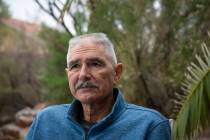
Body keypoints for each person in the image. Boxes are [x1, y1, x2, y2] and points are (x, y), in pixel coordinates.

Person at [25, 33, 171, 140]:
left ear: (116, 73)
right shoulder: (46, 121)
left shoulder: (149, 126)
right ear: (67, 74)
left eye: (95, 64)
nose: (83, 75)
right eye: (75, 66)